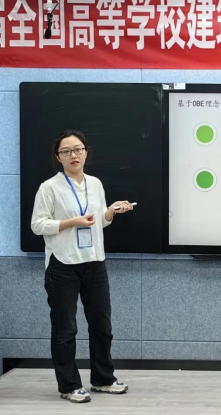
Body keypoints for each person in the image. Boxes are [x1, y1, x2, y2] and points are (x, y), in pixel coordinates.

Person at [31, 130, 133, 403]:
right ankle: (69, 385)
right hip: (63, 263)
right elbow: (38, 225)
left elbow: (98, 221)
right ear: (58, 157)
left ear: (86, 152)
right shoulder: (49, 187)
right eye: (66, 151)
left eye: (78, 149)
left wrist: (110, 212)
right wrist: (71, 222)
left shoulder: (95, 184)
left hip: (95, 262)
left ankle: (103, 379)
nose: (73, 155)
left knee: (102, 326)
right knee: (65, 330)